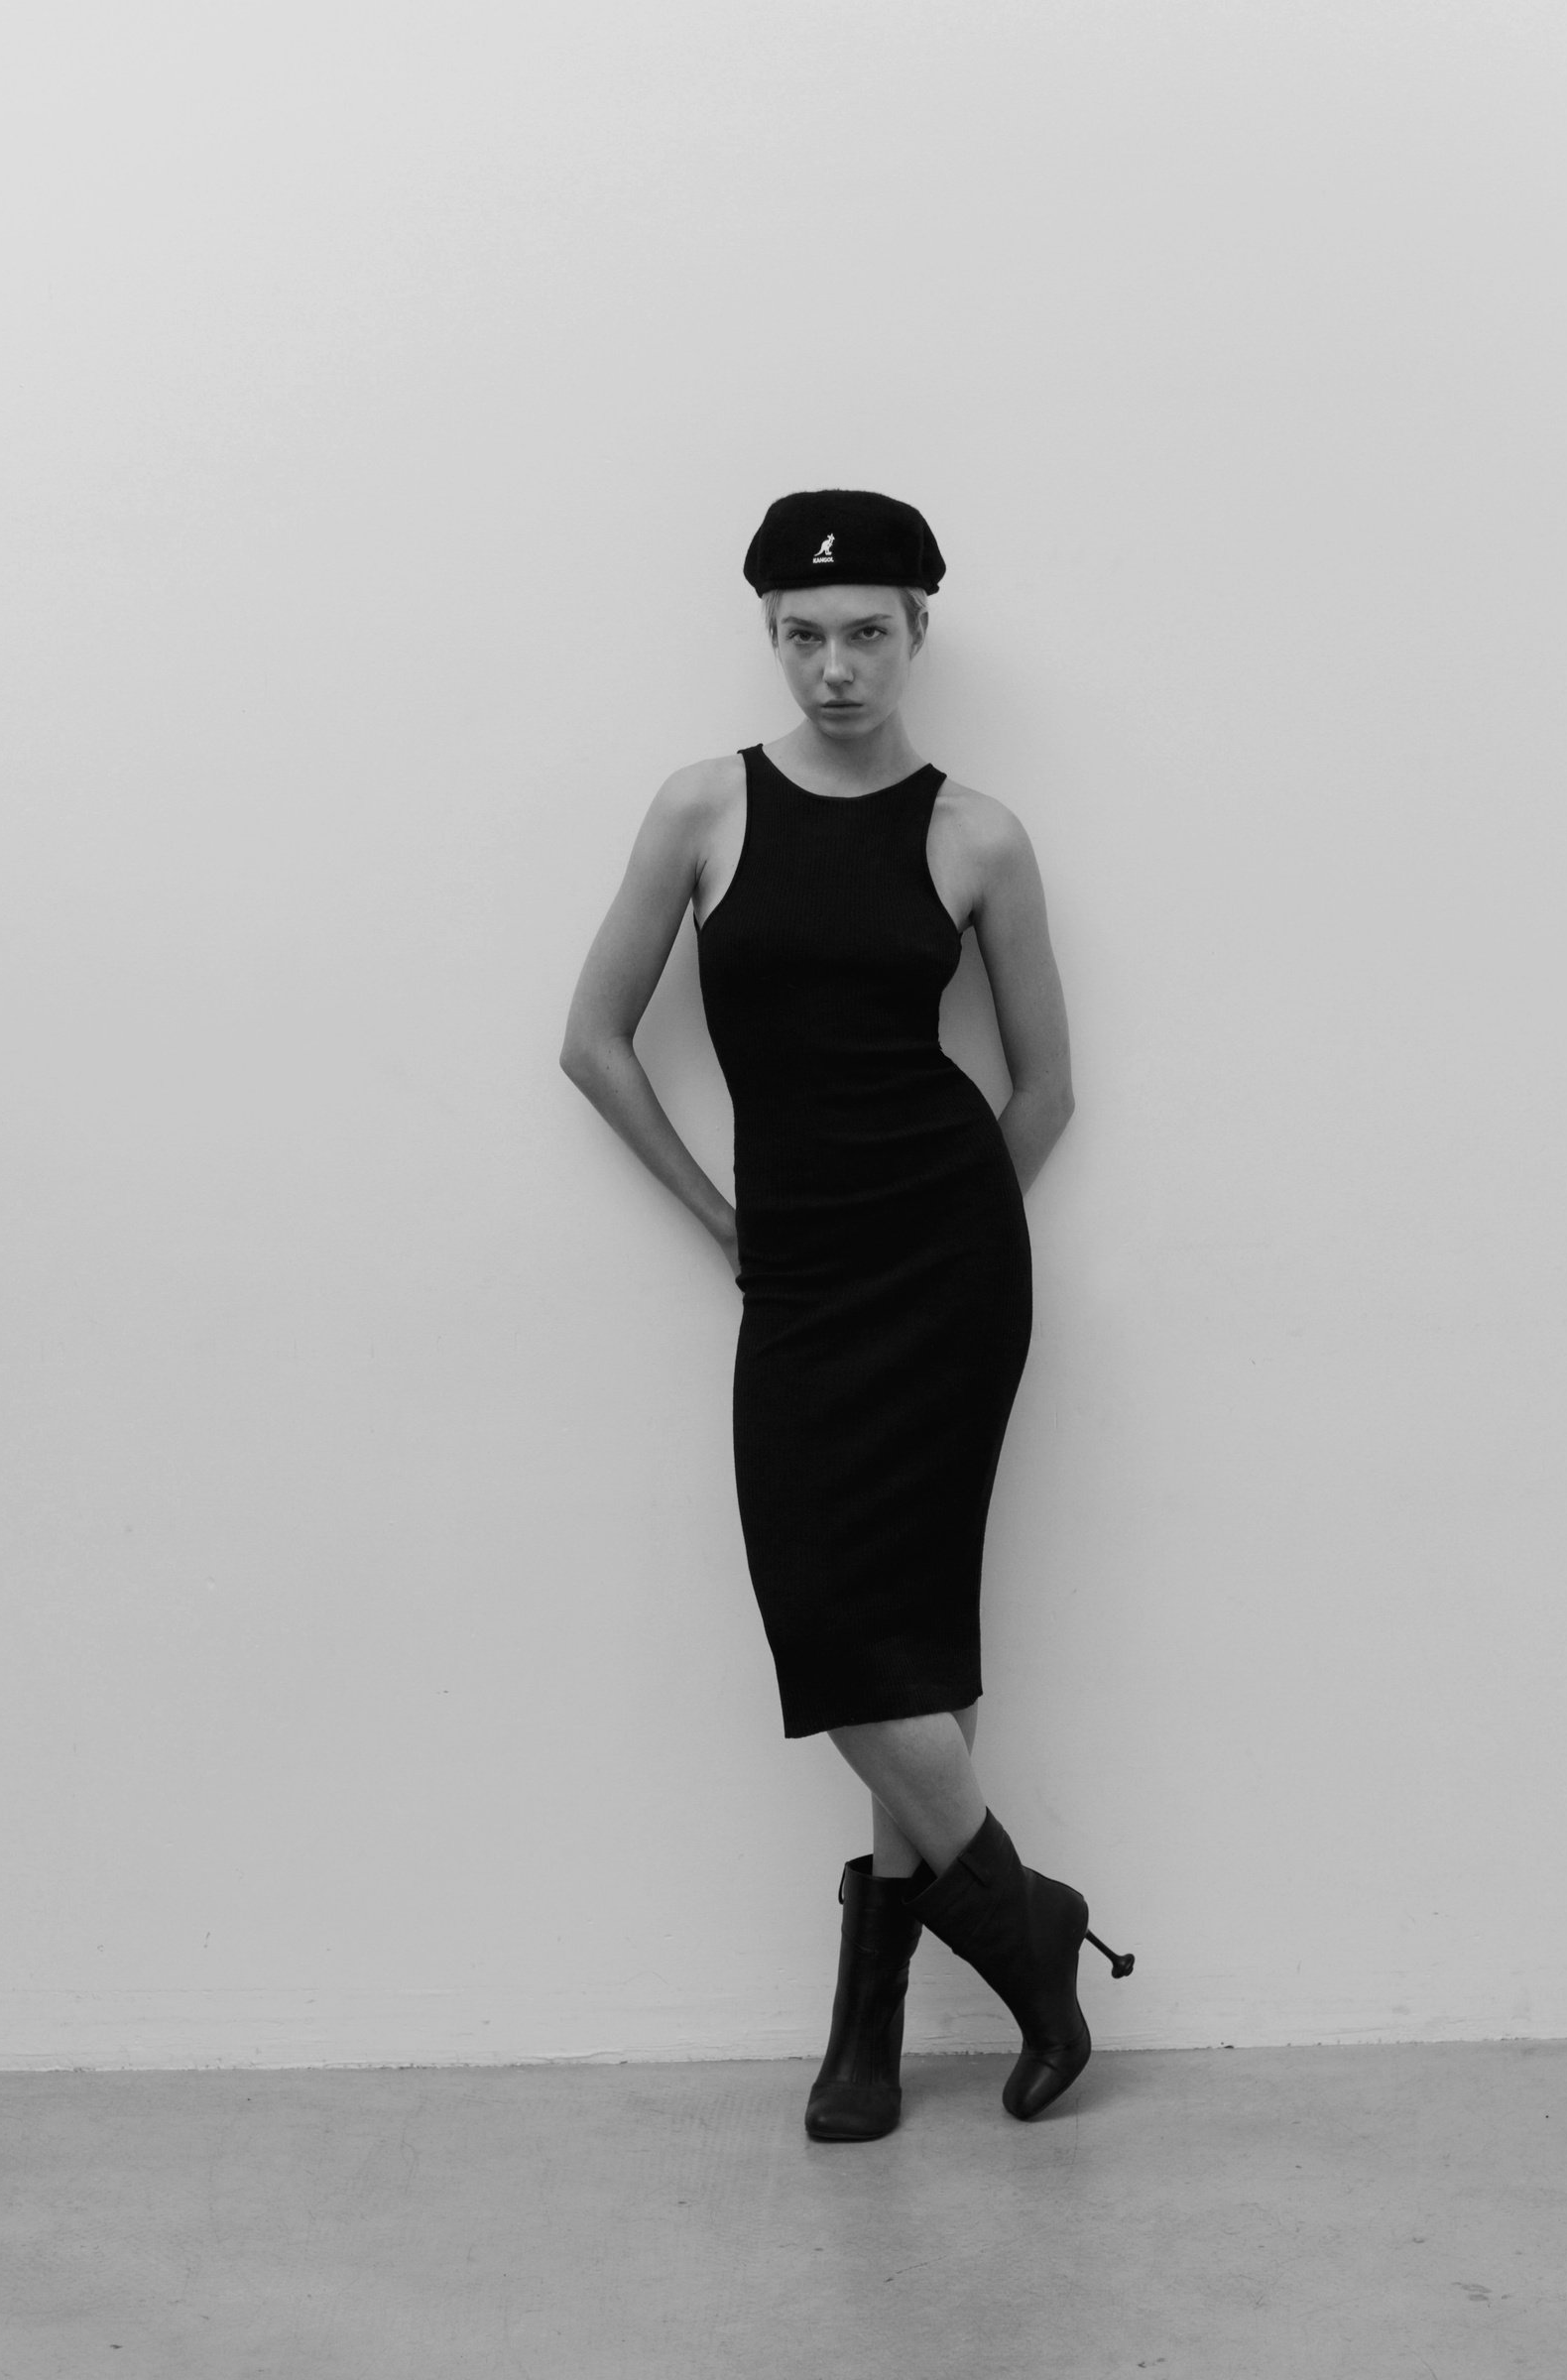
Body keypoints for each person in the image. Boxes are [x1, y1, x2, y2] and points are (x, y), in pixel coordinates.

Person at [560, 489, 1131, 2142]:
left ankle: (869, 2032)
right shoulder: (702, 809)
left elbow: (1047, 1089)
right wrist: (728, 1223)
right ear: (770, 637)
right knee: (829, 1619)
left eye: (867, 633)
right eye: (802, 636)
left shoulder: (980, 836)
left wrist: (949, 1241)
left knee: (913, 1636)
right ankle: (1027, 1923)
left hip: (949, 1274)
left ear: (917, 632)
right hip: (799, 1279)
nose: (834, 667)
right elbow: (593, 1043)